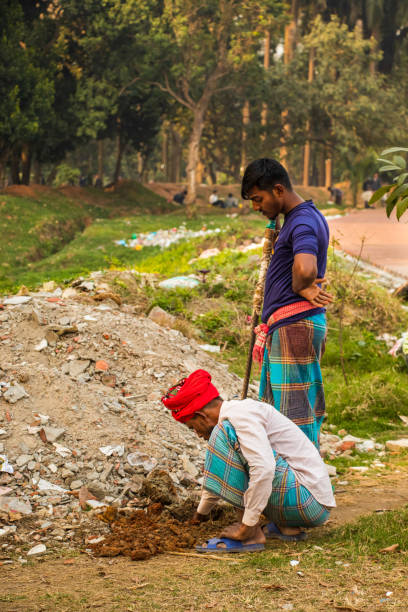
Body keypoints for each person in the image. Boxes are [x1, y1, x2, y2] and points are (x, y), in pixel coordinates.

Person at [162, 370, 335, 553]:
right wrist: (200, 514)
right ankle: (288, 527)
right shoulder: (238, 412)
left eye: (192, 427)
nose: (196, 433)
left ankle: (250, 536)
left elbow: (264, 468)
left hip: (306, 501)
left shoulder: (236, 418)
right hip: (310, 503)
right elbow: (224, 468)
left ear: (201, 415)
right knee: (225, 439)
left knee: (224, 435)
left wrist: (247, 526)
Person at [241, 158, 333, 449]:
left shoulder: (303, 220)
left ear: (278, 190)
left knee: (293, 420)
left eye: (259, 198)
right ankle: (295, 485)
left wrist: (301, 287)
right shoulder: (300, 218)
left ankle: (305, 488)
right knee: (283, 417)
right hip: (290, 327)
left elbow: (306, 269)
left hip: (294, 327)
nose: (257, 207)